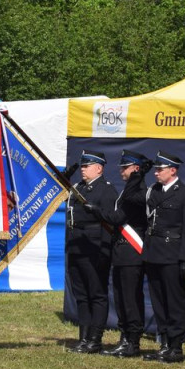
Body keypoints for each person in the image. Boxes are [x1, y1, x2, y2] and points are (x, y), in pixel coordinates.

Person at [141, 151, 185, 363]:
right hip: (154, 251)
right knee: (158, 301)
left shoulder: (183, 193)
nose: (156, 173)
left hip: (173, 253)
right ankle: (163, 343)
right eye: (155, 169)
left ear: (172, 170)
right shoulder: (153, 191)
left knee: (174, 302)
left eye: (160, 169)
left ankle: (175, 346)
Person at [64, 150, 118, 354]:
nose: (83, 169)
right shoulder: (77, 188)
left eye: (87, 166)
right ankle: (84, 338)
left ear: (99, 168)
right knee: (81, 295)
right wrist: (65, 178)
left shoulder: (106, 190)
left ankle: (95, 339)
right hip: (76, 247)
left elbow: (109, 223)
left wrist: (104, 253)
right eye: (82, 166)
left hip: (95, 249)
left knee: (96, 294)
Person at [103, 150, 150, 358]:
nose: (121, 170)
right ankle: (124, 337)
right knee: (121, 298)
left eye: (126, 167)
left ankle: (133, 341)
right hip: (121, 251)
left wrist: (97, 212)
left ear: (136, 169)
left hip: (133, 252)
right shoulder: (127, 190)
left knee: (131, 299)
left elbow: (119, 216)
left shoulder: (139, 190)